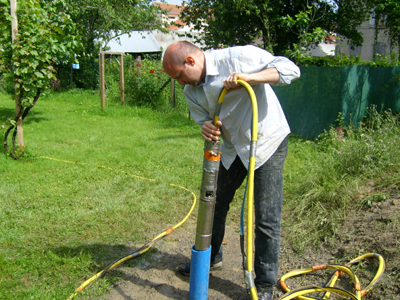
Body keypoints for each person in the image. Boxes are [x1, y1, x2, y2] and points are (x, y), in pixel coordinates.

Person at [162, 41, 300, 300]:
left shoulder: (238, 57)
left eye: (180, 76)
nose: (181, 83)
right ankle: (209, 259)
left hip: (266, 142)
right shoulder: (191, 91)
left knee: (266, 216)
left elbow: (289, 70)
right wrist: (205, 127)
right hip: (232, 149)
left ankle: (266, 285)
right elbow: (203, 118)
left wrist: (251, 77)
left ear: (191, 61)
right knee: (214, 203)